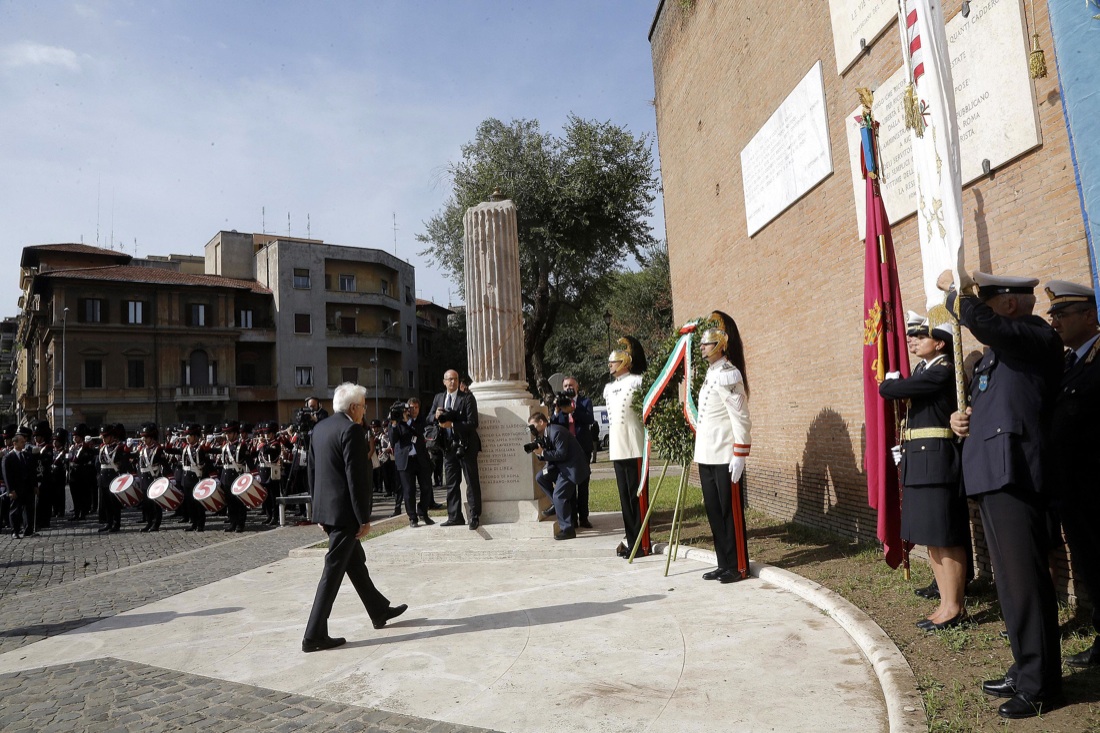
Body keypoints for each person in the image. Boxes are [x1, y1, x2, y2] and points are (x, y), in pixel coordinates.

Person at [940, 270, 1063, 719]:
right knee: (1010, 585)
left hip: (1016, 473)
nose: (980, 310)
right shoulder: (997, 354)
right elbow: (992, 405)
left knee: (1026, 583)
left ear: (1008, 304)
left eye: (984, 300)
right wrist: (962, 419)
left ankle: (1042, 683)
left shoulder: (1032, 334)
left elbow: (987, 326)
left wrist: (955, 293)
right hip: (992, 473)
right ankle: (1024, 666)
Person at [303, 382, 406, 652]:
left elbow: (313, 474)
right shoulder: (351, 430)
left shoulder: (319, 428)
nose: (365, 410)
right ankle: (313, 635)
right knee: (333, 571)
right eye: (363, 405)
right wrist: (364, 517)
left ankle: (378, 610)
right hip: (346, 514)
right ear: (353, 407)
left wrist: (318, 512)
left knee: (354, 561)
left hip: (329, 510)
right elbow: (356, 478)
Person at [879, 317, 968, 630]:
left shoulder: (944, 371)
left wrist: (889, 382)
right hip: (920, 460)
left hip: (939, 462)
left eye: (919, 336)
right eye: (910, 337)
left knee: (946, 537)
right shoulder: (922, 370)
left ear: (940, 343)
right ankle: (944, 604)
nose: (912, 341)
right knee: (932, 539)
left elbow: (892, 390)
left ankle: (954, 608)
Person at [1043, 281, 1100, 668]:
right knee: (1092, 566)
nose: (1055, 321)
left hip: (1097, 486)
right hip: (1074, 489)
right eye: (1053, 315)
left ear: (1089, 315)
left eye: (1062, 314)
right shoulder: (1067, 363)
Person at [693, 311, 752, 583]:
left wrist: (740, 453)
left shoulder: (728, 374)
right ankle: (722, 561)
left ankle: (738, 565)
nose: (702, 347)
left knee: (730, 513)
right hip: (707, 454)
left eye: (706, 343)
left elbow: (739, 416)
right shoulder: (710, 373)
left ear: (719, 345)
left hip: (724, 454)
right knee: (715, 512)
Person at [604, 336, 651, 558]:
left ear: (623, 362)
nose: (610, 366)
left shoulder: (637, 381)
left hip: (634, 444)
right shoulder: (607, 388)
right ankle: (631, 540)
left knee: (636, 495)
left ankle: (642, 542)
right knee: (625, 498)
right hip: (617, 446)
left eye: (613, 362)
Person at [429, 369, 483, 529]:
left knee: (471, 481)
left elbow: (473, 423)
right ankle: (454, 516)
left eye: (455, 379)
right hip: (447, 446)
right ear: (444, 381)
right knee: (451, 483)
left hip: (465, 445)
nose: (453, 382)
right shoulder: (438, 398)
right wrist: (435, 416)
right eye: (450, 379)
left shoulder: (467, 398)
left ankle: (474, 516)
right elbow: (428, 418)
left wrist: (452, 424)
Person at [528, 411, 590, 540]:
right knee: (540, 477)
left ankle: (567, 529)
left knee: (559, 495)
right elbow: (549, 456)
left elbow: (561, 454)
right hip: (560, 466)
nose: (532, 429)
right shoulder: (545, 435)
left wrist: (543, 453)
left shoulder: (556, 431)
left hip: (571, 468)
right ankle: (556, 506)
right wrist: (539, 453)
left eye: (533, 425)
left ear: (541, 422)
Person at [550, 376, 595, 528]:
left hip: (582, 448)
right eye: (566, 386)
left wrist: (573, 411)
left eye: (571, 386)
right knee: (569, 486)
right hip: (566, 451)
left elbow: (589, 419)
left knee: (583, 485)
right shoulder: (560, 403)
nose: (568, 388)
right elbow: (554, 426)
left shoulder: (585, 402)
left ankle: (584, 517)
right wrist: (557, 411)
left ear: (577, 387)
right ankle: (572, 519)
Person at [218, 421, 253, 533]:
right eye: (226, 433)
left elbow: (249, 461)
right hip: (226, 476)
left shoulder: (241, 446)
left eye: (229, 433)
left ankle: (240, 524)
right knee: (230, 502)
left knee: (239, 502)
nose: (227, 435)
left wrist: (255, 474)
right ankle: (232, 523)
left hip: (237, 477)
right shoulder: (225, 447)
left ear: (235, 434)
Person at [97, 424, 131, 533]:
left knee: (114, 503)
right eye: (103, 437)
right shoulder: (103, 447)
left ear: (112, 436)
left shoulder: (119, 447)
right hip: (103, 478)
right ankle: (109, 522)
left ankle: (117, 524)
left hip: (113, 477)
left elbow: (125, 463)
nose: (103, 439)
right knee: (106, 503)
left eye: (106, 436)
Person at [137, 424, 171, 532]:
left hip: (154, 478)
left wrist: (170, 477)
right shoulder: (142, 450)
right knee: (146, 504)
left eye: (146, 437)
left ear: (152, 438)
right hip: (144, 479)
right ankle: (149, 522)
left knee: (155, 503)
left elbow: (165, 465)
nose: (144, 439)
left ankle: (156, 523)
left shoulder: (158, 449)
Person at [3, 428, 34, 538]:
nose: (24, 443)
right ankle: (15, 531)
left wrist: (34, 486)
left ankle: (28, 529)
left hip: (27, 488)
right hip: (16, 489)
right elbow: (7, 476)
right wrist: (10, 490)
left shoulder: (26, 455)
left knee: (28, 509)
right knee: (15, 511)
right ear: (14, 443)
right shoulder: (8, 457)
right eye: (21, 442)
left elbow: (31, 472)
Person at [68, 423, 97, 520]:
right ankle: (76, 512)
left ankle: (82, 513)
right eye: (74, 436)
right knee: (74, 494)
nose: (74, 438)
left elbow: (87, 457)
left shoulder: (85, 447)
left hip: (81, 473)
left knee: (82, 494)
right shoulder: (73, 447)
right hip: (73, 473)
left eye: (76, 436)